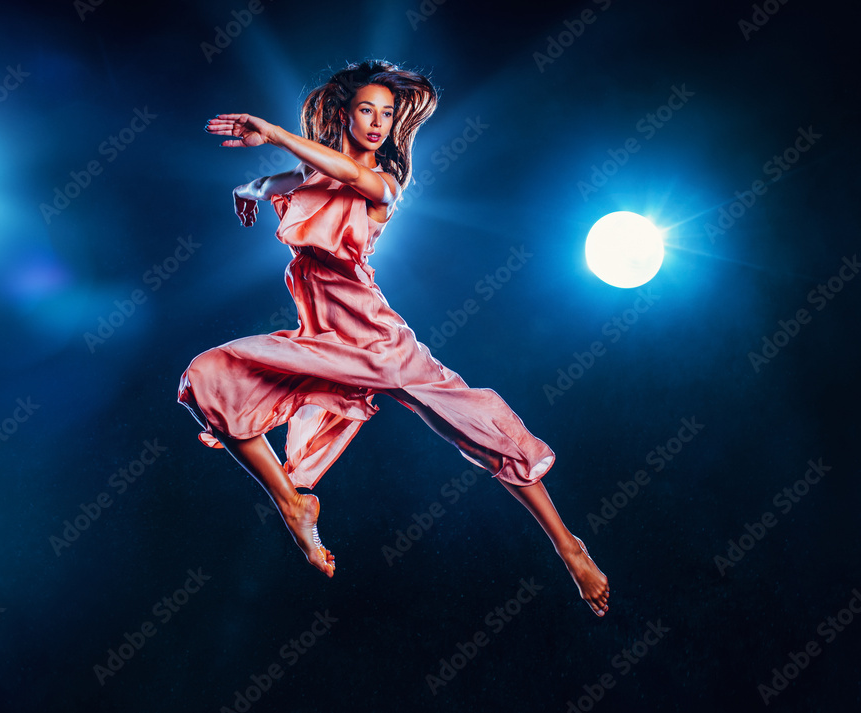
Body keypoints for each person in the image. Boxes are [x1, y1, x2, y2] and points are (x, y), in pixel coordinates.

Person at [178, 60, 610, 617]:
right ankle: (292, 504)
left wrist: (277, 135)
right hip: (325, 338)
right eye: (366, 110)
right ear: (344, 114)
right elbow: (275, 183)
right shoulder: (312, 179)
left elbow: (345, 174)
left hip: (379, 343)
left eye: (387, 113)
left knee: (475, 429)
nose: (379, 122)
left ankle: (568, 545)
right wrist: (247, 187)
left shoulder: (384, 183)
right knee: (208, 378)